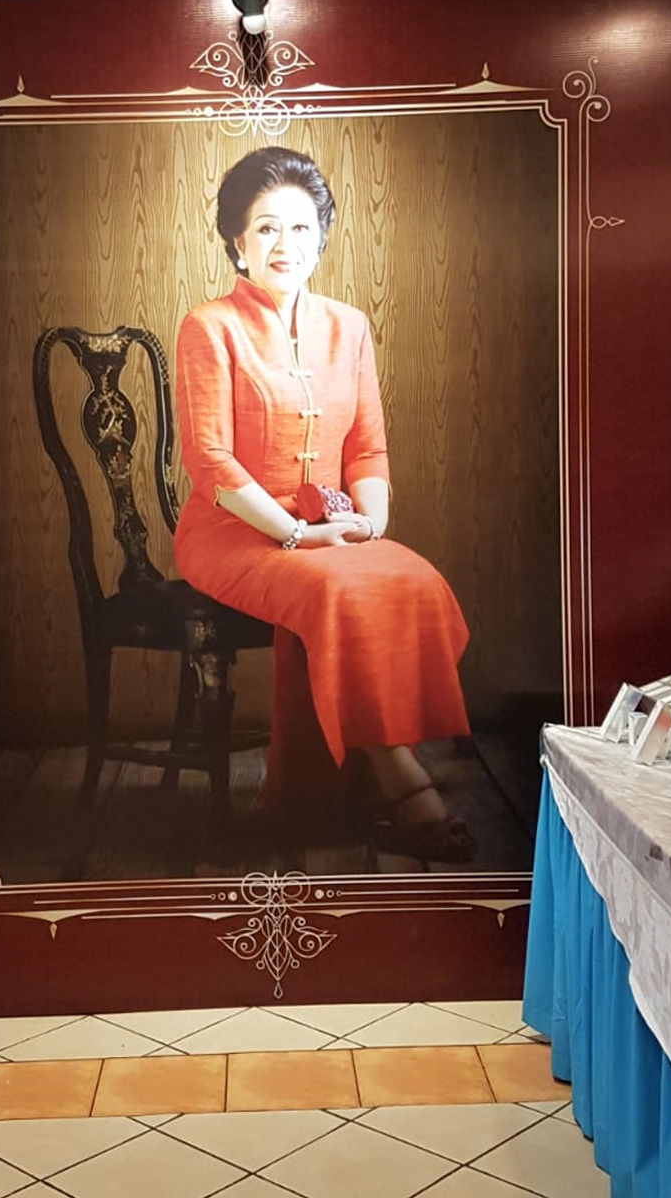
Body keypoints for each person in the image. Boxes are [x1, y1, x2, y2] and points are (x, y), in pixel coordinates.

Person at [174, 146, 475, 863]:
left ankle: (341, 784)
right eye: (266, 228)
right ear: (237, 242)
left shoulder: (350, 326)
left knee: (412, 577)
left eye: (301, 227)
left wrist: (367, 524)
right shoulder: (209, 327)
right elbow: (210, 462)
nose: (286, 244)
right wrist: (293, 534)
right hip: (232, 533)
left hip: (329, 528)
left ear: (323, 237)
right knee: (334, 593)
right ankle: (399, 777)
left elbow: (367, 449)